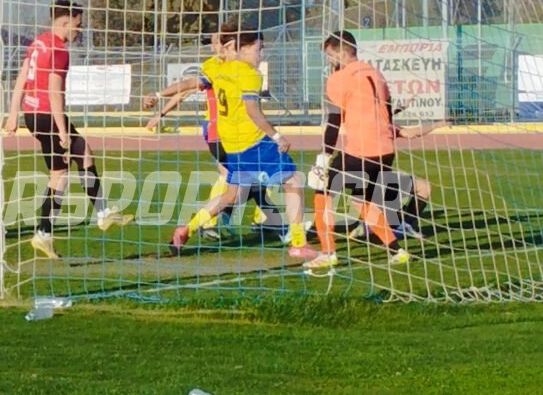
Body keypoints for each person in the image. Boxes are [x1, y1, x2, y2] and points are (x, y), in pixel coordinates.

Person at [169, 27, 316, 259]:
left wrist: (159, 95)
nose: (261, 54)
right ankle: (298, 241)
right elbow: (252, 111)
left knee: (231, 194)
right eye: (258, 48)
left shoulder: (216, 67)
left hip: (230, 144)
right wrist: (276, 136)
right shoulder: (250, 74)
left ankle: (187, 228)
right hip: (253, 142)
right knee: (293, 180)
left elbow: (188, 84)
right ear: (242, 48)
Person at [3, 0, 133, 259]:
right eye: (78, 24)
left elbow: (21, 79)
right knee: (60, 174)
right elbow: (55, 92)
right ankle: (45, 232)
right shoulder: (59, 49)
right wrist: (62, 130)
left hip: (33, 115)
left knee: (82, 152)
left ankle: (101, 212)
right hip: (48, 116)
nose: (79, 30)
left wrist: (13, 114)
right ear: (65, 22)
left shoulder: (38, 43)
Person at [144, 21, 279, 238]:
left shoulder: (233, 68)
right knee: (241, 180)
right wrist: (159, 107)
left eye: (217, 42)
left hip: (233, 133)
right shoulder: (214, 67)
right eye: (214, 43)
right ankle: (216, 221)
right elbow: (186, 88)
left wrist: (159, 107)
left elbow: (187, 89)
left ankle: (270, 222)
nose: (215, 46)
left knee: (248, 181)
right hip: (221, 133)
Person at [306, 30, 411, 271]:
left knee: (322, 191)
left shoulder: (339, 78)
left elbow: (334, 121)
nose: (329, 61)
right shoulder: (375, 73)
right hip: (385, 150)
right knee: (361, 200)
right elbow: (386, 112)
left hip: (361, 149)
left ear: (342, 53)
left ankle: (328, 252)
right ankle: (397, 251)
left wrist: (324, 156)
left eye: (330, 55)